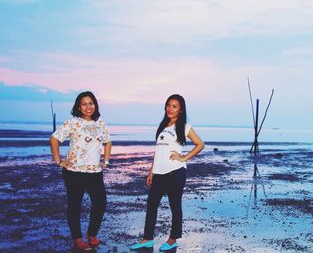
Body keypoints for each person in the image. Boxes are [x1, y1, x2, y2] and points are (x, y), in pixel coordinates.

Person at [130, 94, 204, 251]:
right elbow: (158, 152)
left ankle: (172, 240)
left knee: (175, 205)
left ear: (181, 110)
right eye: (168, 105)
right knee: (151, 204)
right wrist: (151, 171)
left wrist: (184, 157)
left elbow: (200, 144)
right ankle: (147, 239)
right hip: (159, 173)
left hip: (175, 172)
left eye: (175, 106)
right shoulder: (163, 126)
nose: (170, 109)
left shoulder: (184, 126)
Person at [50, 91, 112, 251]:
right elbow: (54, 138)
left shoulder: (100, 123)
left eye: (91, 103)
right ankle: (77, 239)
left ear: (95, 105)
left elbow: (108, 142)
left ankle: (92, 235)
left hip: (94, 172)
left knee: (100, 203)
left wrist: (105, 161)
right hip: (73, 172)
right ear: (79, 106)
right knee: (75, 205)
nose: (88, 107)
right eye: (84, 104)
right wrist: (58, 161)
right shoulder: (73, 122)